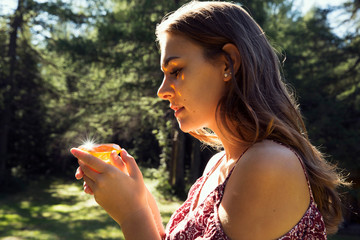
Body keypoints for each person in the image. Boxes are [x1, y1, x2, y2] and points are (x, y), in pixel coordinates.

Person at [71, 1, 348, 239]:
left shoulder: (269, 164)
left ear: (228, 63)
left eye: (176, 70)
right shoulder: (218, 165)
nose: (162, 90)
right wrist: (137, 195)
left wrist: (131, 213)